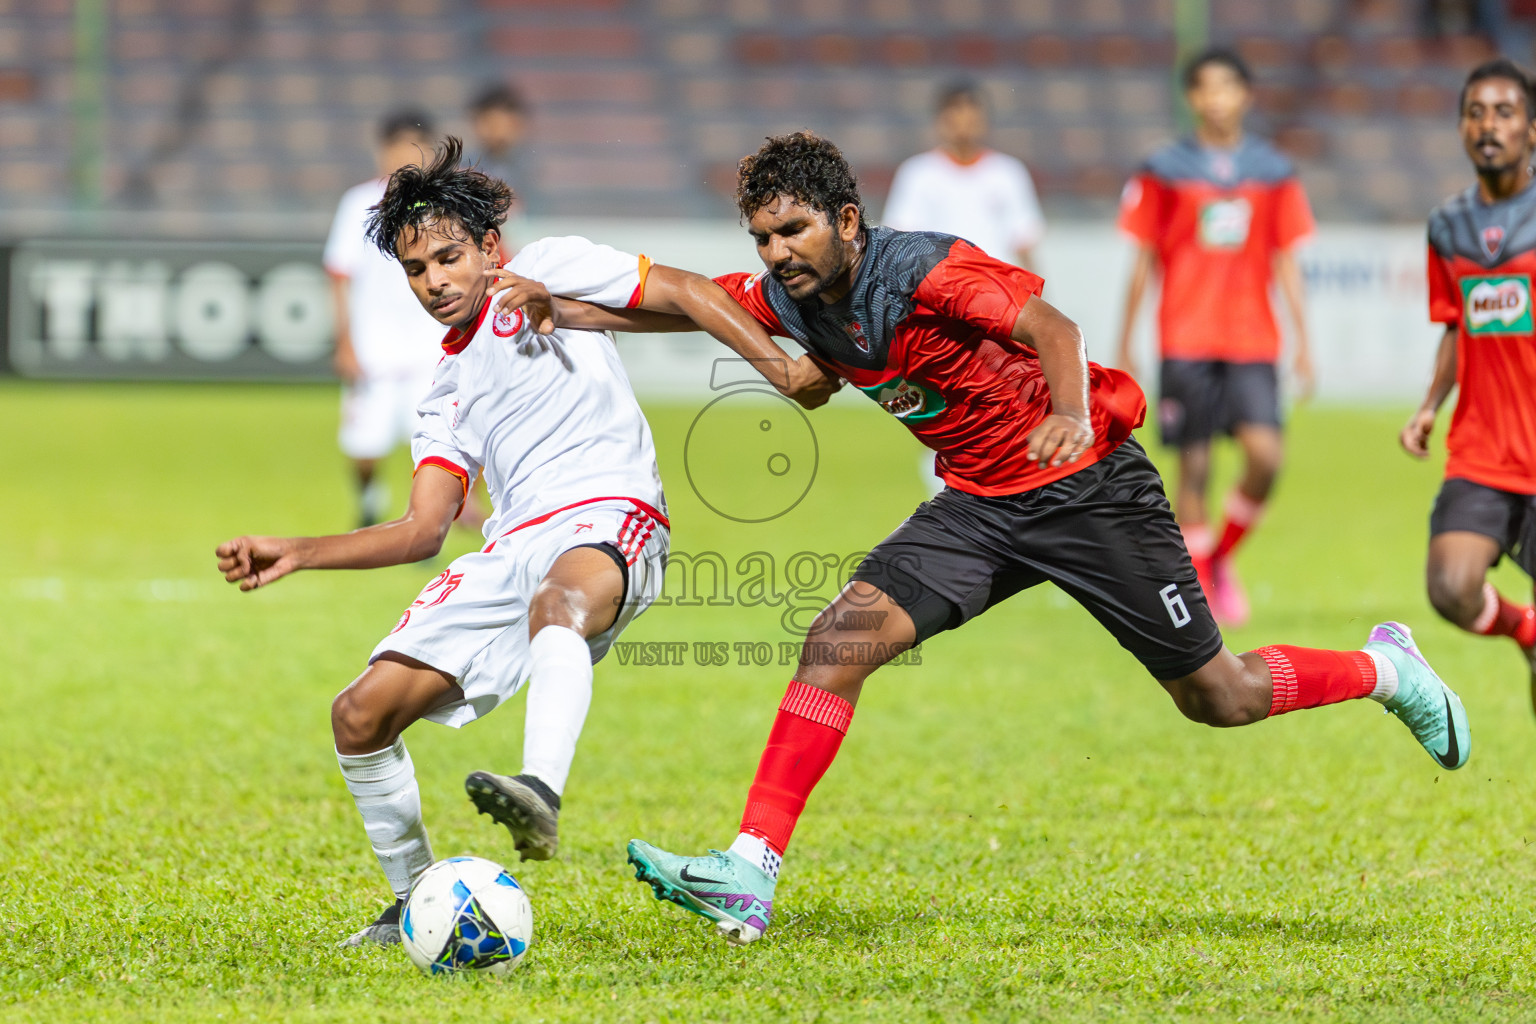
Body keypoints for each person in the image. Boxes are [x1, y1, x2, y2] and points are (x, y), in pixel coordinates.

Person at [502, 131, 1470, 947]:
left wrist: (1065, 412)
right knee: (839, 637)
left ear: (846, 220)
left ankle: (1386, 670)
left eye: (792, 229)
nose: (776, 252)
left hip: (1088, 488)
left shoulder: (923, 266)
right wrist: (573, 312)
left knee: (1217, 695)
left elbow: (1051, 322)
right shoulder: (795, 296)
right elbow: (678, 303)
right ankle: (748, 870)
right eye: (761, 236)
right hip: (978, 506)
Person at [214, 138, 831, 948]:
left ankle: (539, 787)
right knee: (360, 715)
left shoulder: (550, 265)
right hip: (511, 544)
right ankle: (410, 902)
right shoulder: (442, 394)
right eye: (416, 268)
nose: (435, 281)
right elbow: (422, 530)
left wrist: (780, 370)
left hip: (609, 511)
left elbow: (683, 288)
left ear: (488, 249)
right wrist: (297, 550)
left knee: (559, 604)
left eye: (448, 257)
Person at [1115, 48, 1315, 627]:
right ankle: (1202, 577)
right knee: (1194, 468)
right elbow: (1144, 257)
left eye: (1229, 87)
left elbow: (1287, 258)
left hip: (1254, 338)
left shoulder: (1273, 170)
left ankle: (1218, 557)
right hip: (1186, 335)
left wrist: (1304, 338)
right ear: (1192, 98)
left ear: (1246, 95)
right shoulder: (1165, 168)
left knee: (1265, 456)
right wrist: (1126, 339)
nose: (1218, 98)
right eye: (1206, 88)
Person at [1402, 60, 1536, 707]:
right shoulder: (1448, 227)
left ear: (1532, 130)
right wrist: (1430, 406)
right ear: (1461, 127)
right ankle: (1526, 630)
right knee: (1450, 587)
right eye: (1477, 112)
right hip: (1482, 448)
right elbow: (1457, 326)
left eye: (1505, 112)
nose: (1490, 126)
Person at [325, 110, 447, 528]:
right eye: (397, 150)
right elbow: (339, 275)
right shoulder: (359, 203)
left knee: (434, 449)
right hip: (372, 348)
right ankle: (371, 497)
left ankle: (423, 524)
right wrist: (343, 341)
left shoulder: (443, 207)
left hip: (430, 351)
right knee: (364, 448)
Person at [883, 80, 1045, 270]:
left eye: (971, 117)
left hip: (995, 288)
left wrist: (1036, 295)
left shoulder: (1009, 173)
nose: (964, 125)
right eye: (955, 115)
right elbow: (900, 241)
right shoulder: (917, 174)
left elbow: (1023, 242)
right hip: (937, 290)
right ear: (940, 120)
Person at [466, 82, 533, 216]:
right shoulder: (467, 166)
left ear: (517, 124)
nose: (494, 132)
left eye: (499, 124)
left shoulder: (534, 168)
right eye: (488, 123)